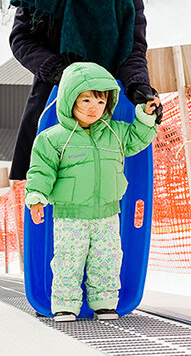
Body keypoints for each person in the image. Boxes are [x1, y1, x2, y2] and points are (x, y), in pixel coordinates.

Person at [8, 0, 162, 182]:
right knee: (46, 199)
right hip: (54, 102)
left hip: (109, 107)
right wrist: (59, 70)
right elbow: (21, 39)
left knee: (107, 196)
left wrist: (139, 87)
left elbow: (133, 48)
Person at [24, 62, 160, 321]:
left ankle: (105, 302)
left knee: (107, 258)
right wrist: (37, 198)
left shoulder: (115, 133)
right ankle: (65, 304)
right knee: (68, 260)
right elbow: (41, 171)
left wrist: (146, 116)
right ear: (69, 99)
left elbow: (137, 139)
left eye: (100, 101)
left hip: (107, 214)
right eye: (85, 99)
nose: (92, 108)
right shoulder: (54, 138)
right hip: (70, 215)